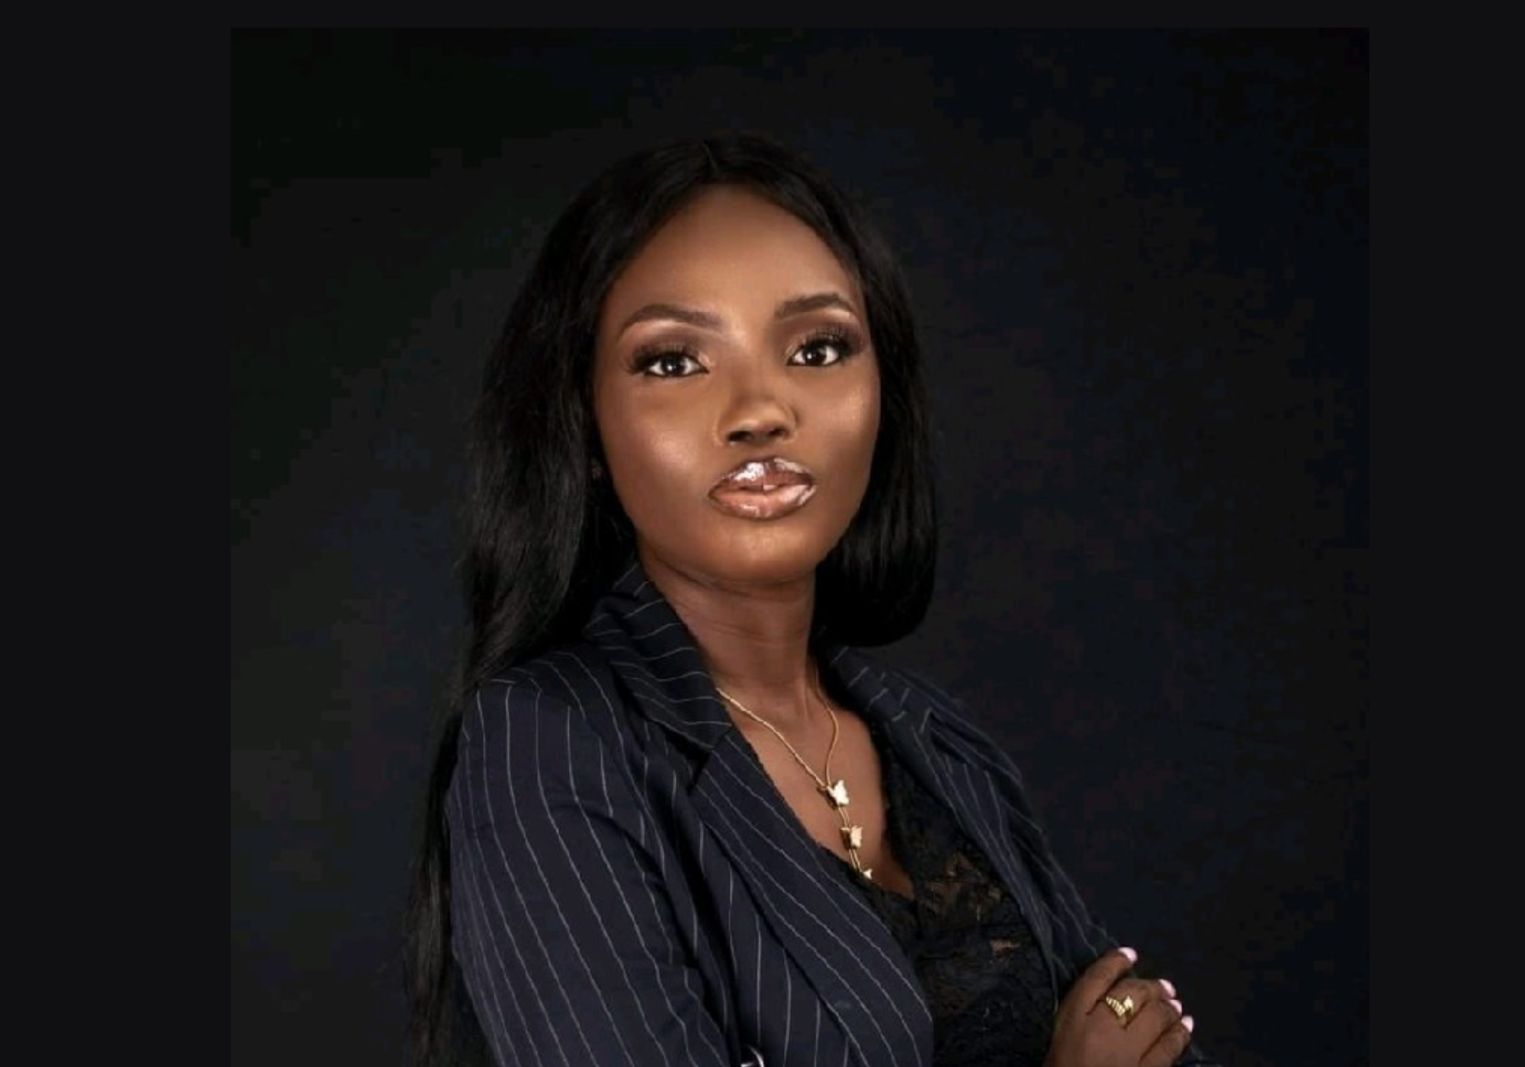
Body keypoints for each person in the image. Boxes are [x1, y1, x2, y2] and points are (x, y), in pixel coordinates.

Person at [403, 131, 1222, 1067]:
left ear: (884, 394)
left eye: (818, 347)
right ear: (585, 425)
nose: (761, 411)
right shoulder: (548, 742)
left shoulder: (938, 743)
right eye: (673, 361)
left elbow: (1149, 1038)